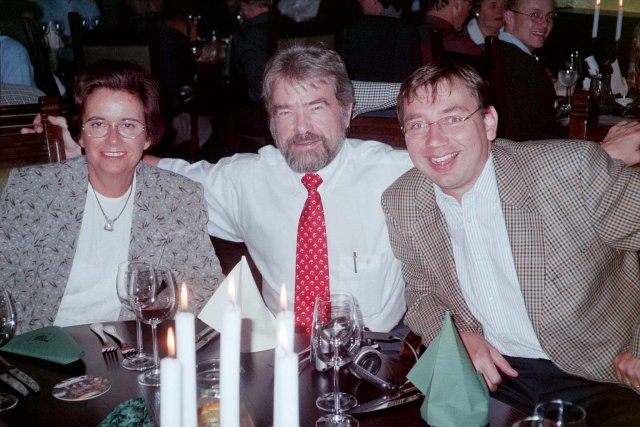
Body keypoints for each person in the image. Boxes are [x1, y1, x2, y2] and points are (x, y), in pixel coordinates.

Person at [381, 60, 640, 425]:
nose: (434, 140)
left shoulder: (570, 171)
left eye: (453, 118)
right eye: (418, 124)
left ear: (489, 123)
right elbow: (420, 292)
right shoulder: (404, 200)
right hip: (490, 375)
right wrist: (455, 337)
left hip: (599, 375)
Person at [1, 60, 223, 333]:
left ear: (148, 137)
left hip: (133, 348)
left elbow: (204, 292)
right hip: (42, 346)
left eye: (128, 125)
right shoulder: (32, 191)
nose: (113, 139)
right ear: (80, 135)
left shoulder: (178, 197)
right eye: (98, 124)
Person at [340, 0, 421, 83]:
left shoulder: (356, 30)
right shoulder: (408, 30)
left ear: (376, 1)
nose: (359, 1)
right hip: (398, 88)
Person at [230, 0, 271, 103]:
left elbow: (236, 75)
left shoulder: (245, 35)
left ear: (244, 7)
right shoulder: (289, 25)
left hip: (258, 104)